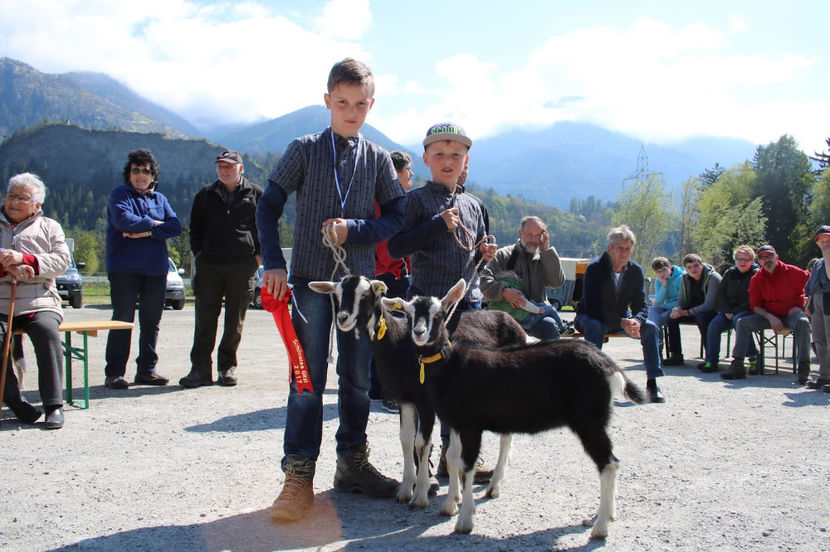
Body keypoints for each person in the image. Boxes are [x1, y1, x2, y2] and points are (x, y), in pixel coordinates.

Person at [256, 58, 405, 522]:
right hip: (307, 283)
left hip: (359, 289)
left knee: (358, 379)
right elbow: (267, 206)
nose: (352, 111)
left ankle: (353, 465)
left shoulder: (379, 158)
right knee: (307, 380)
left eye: (360, 104)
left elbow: (396, 218)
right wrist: (274, 264)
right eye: (342, 102)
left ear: (371, 104)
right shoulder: (303, 149)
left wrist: (355, 229)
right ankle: (298, 476)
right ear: (327, 102)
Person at [387, 121, 498, 480]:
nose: (448, 161)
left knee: (464, 386)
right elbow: (395, 247)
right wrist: (437, 224)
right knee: (425, 386)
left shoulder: (475, 204)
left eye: (456, 155)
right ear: (425, 159)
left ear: (466, 161)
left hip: (468, 307)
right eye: (439, 155)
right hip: (427, 310)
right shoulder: (415, 200)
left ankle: (459, 458)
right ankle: (425, 459)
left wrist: (485, 253)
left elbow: (475, 257)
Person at [179, 150, 262, 389]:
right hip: (210, 266)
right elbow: (195, 230)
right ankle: (200, 369)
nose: (224, 170)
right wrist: (199, 255)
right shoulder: (205, 195)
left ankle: (227, 368)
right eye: (221, 166)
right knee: (205, 318)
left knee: (235, 319)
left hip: (242, 265)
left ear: (241, 169)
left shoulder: (256, 194)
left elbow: (266, 229)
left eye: (230, 166)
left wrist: (257, 258)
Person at [104, 149, 182, 390]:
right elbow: (123, 222)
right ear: (129, 174)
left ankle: (147, 370)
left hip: (156, 270)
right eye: (135, 171)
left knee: (151, 321)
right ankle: (115, 373)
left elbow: (176, 226)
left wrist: (146, 231)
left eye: (145, 171)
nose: (140, 175)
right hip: (124, 268)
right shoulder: (120, 194)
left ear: (152, 176)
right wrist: (157, 225)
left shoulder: (160, 199)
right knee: (123, 319)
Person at [0, 173, 71, 429]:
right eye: (11, 195)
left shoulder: (50, 227)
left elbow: (62, 262)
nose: (14, 201)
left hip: (39, 300)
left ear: (37, 205)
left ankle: (53, 405)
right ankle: (13, 399)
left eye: (22, 197)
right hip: (0, 301)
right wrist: (5, 267)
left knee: (46, 333)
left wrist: (27, 260)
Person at [574, 225, 665, 403]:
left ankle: (653, 383)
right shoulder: (595, 268)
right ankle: (592, 382)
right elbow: (592, 307)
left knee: (651, 328)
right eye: (620, 248)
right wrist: (622, 321)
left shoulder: (635, 271)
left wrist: (636, 321)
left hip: (621, 318)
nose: (624, 253)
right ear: (610, 249)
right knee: (595, 325)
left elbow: (642, 305)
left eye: (628, 249)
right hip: (590, 317)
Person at [721, 245, 811, 382]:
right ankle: (737, 366)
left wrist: (804, 307)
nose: (767, 260)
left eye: (770, 256)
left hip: (791, 315)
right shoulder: (757, 279)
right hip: (768, 316)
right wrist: (770, 317)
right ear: (759, 261)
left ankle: (804, 369)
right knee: (742, 322)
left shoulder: (793, 272)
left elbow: (814, 286)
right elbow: (755, 306)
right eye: (763, 258)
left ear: (777, 257)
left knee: (803, 322)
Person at [369, 150, 413, 413]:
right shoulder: (393, 201)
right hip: (390, 276)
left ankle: (375, 387)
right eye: (409, 172)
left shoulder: (374, 196)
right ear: (398, 172)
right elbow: (388, 245)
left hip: (375, 273)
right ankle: (390, 392)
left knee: (376, 332)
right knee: (392, 336)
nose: (411, 177)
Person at [480, 215, 567, 340]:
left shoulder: (544, 257)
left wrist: (547, 252)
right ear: (520, 233)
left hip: (536, 314)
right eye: (529, 235)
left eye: (537, 235)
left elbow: (556, 282)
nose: (533, 239)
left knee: (551, 327)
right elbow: (484, 281)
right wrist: (504, 291)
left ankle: (551, 359)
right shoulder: (504, 255)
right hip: (508, 315)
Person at [698, 246, 759, 373]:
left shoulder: (756, 274)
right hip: (728, 310)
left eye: (746, 259)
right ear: (735, 260)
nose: (742, 262)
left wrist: (735, 311)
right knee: (714, 325)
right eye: (739, 259)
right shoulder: (729, 273)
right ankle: (712, 361)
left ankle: (753, 358)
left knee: (739, 321)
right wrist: (726, 310)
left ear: (752, 260)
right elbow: (721, 295)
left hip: (749, 310)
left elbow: (753, 297)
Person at [665, 254, 721, 365]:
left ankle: (710, 358)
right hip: (691, 310)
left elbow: (710, 304)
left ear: (702, 265)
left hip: (712, 311)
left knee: (702, 317)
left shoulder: (713, 277)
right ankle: (676, 355)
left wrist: (688, 312)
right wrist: (677, 309)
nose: (693, 269)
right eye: (689, 267)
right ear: (685, 269)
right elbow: (681, 299)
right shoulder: (685, 278)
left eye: (696, 266)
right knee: (671, 318)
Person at [804, 226, 830, 392]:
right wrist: (809, 303)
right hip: (818, 300)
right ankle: (824, 375)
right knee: (820, 339)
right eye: (821, 240)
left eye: (827, 239)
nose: (824, 243)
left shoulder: (826, 260)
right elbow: (810, 287)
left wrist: (828, 255)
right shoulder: (819, 263)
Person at [647, 257, 685, 361]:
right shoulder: (659, 281)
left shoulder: (681, 278)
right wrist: (664, 285)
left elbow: (681, 299)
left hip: (677, 307)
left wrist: (664, 306)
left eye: (664, 270)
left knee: (661, 317)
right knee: (652, 310)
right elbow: (659, 300)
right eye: (658, 272)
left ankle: (660, 350)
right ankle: (657, 351)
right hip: (666, 306)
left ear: (670, 267)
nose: (662, 274)